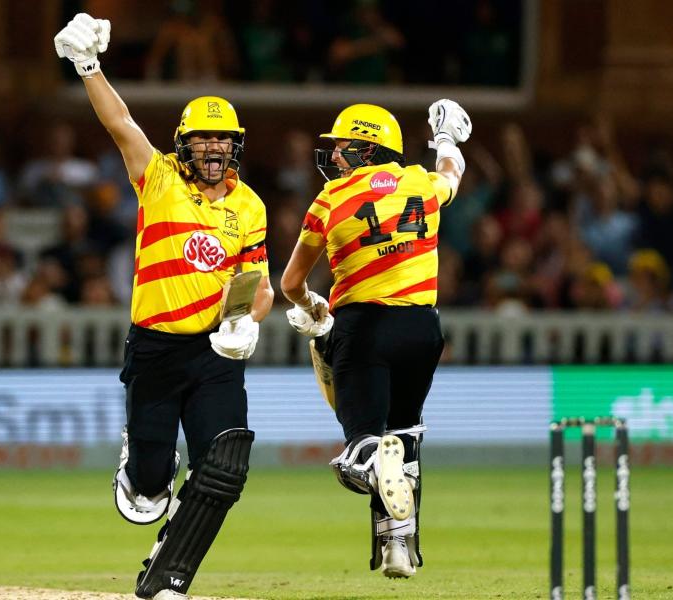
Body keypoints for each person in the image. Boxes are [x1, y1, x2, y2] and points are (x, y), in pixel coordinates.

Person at [54, 14, 274, 600]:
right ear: (184, 142)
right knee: (148, 491)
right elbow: (121, 122)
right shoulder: (157, 177)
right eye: (203, 138)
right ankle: (141, 462)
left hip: (213, 354)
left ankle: (168, 578)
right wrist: (88, 66)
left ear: (235, 146)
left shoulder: (250, 207)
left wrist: (245, 321)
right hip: (154, 347)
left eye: (222, 139)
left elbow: (257, 280)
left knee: (226, 464)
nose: (213, 148)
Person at [280, 100, 471, 579]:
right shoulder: (420, 183)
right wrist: (445, 138)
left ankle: (367, 457)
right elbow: (451, 172)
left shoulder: (331, 199)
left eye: (344, 147)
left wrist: (310, 306)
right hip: (424, 330)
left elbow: (289, 282)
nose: (337, 156)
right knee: (405, 436)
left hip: (364, 328)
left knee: (363, 444)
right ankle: (398, 550)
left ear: (368, 148)